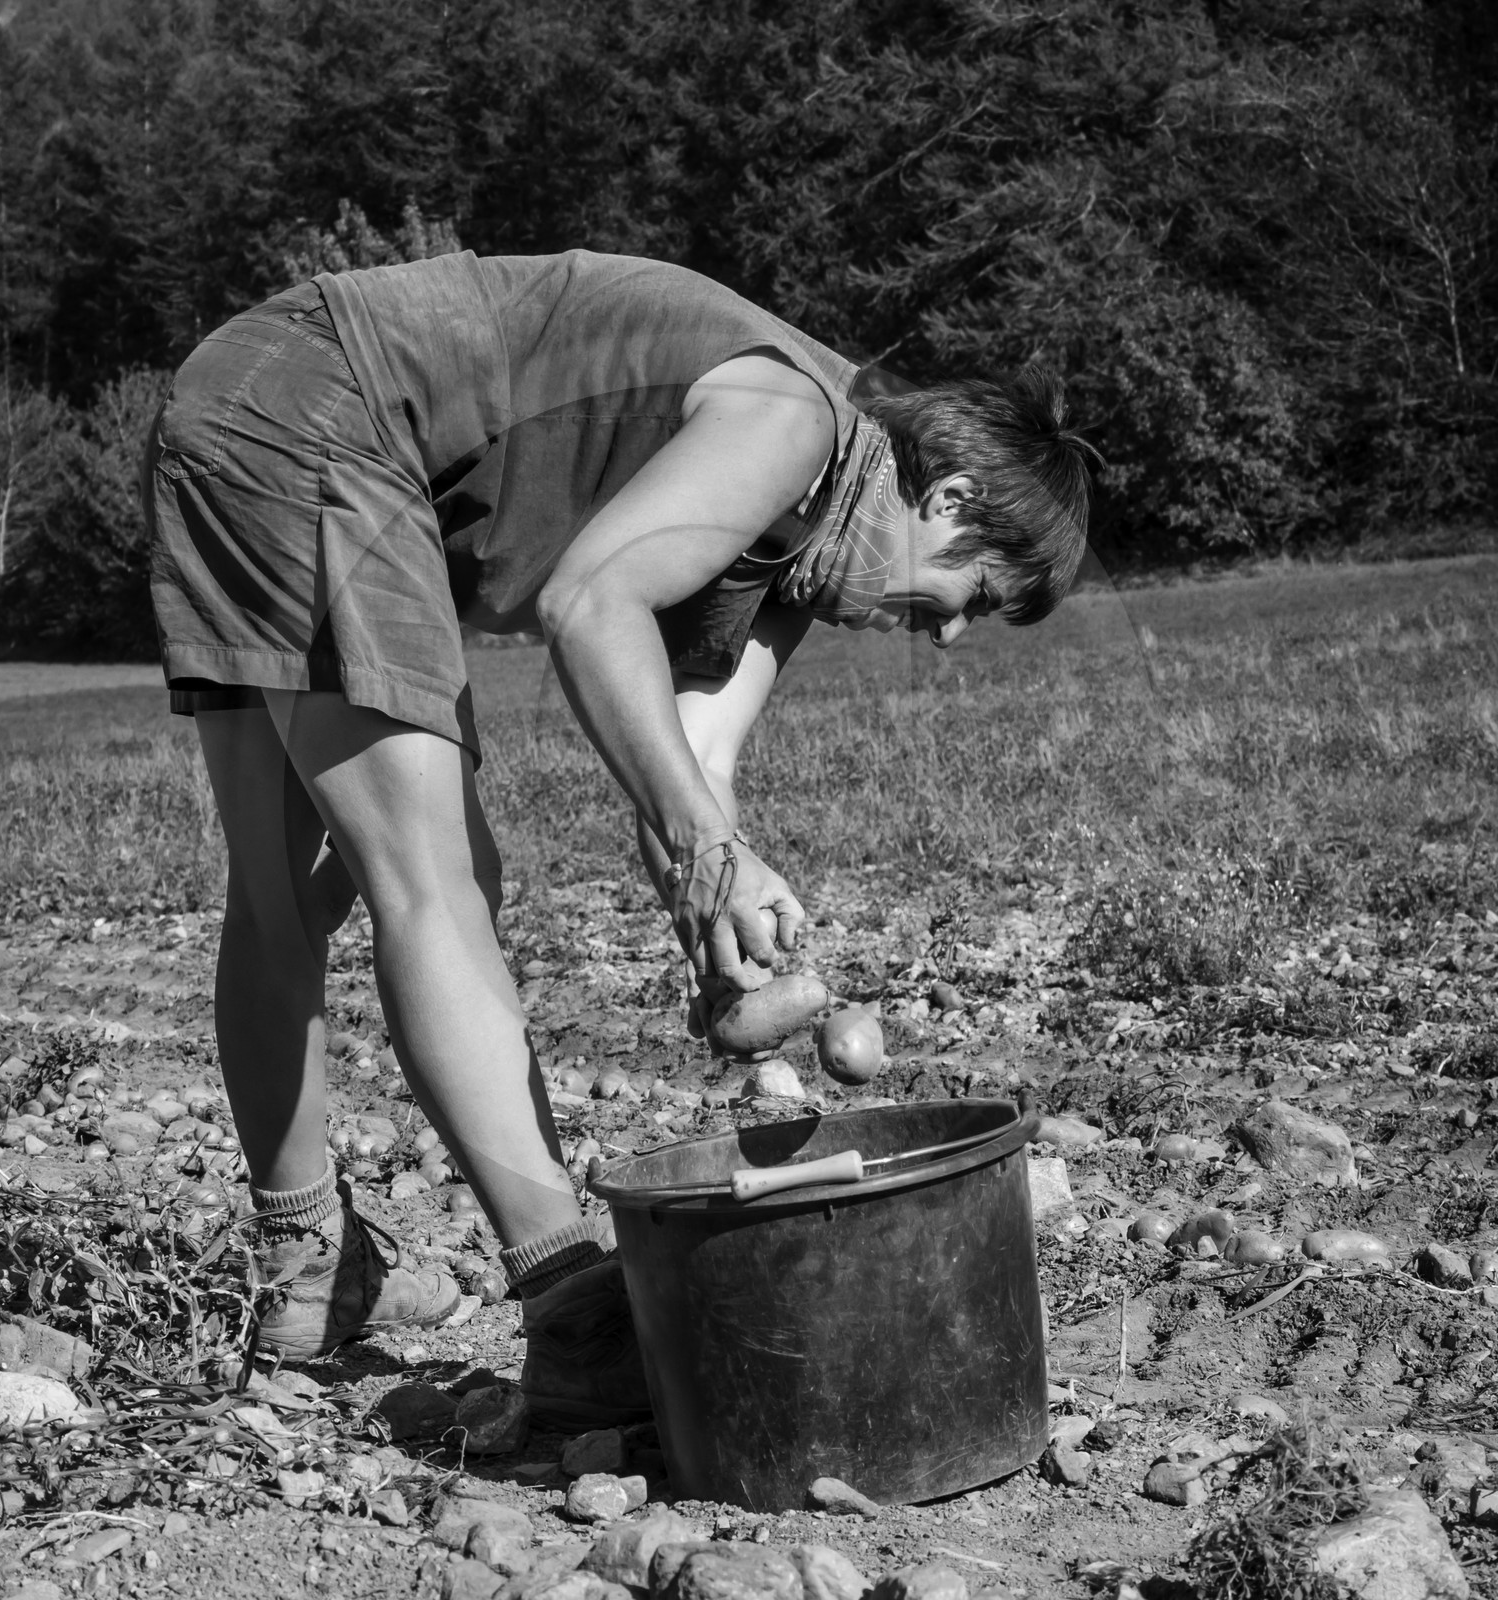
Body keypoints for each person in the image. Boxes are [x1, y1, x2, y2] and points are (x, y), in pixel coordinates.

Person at [143, 249, 1096, 1427]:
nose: (950, 637)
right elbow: (588, 603)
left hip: (247, 396)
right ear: (947, 502)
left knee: (289, 891)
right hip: (319, 409)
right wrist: (707, 854)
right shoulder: (795, 419)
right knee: (437, 876)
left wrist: (725, 928)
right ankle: (570, 1304)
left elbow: (692, 767)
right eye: (978, 594)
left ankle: (301, 1275)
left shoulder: (802, 547)